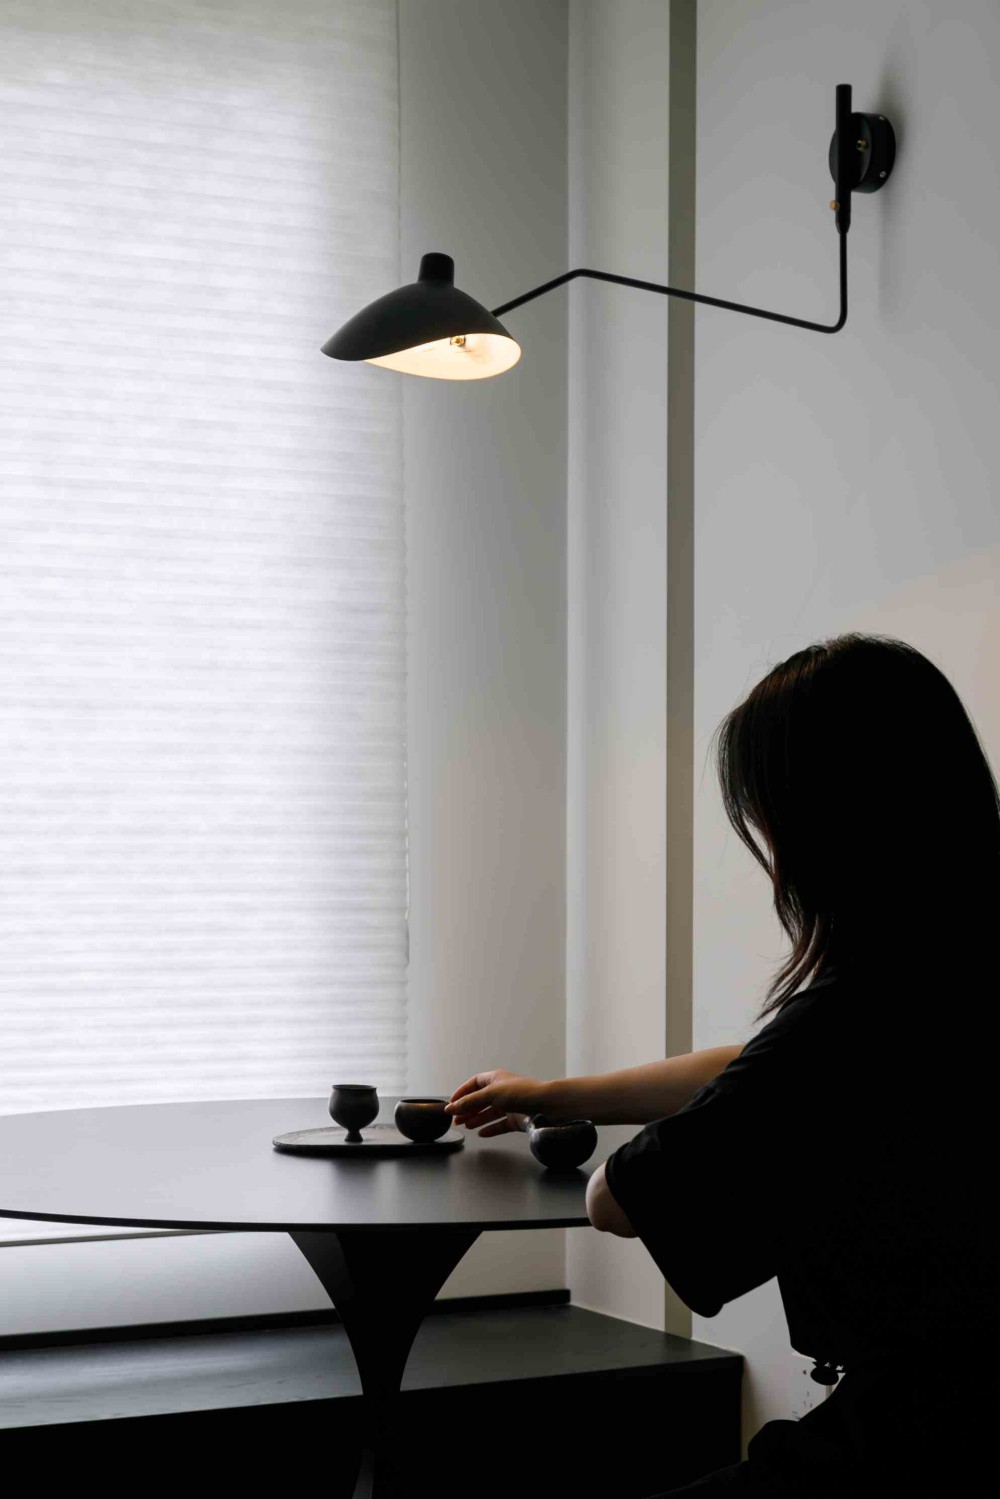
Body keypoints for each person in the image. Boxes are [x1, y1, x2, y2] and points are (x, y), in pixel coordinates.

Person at [445, 634, 1000, 1497]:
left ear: (825, 825)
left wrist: (629, 1143)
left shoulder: (851, 1019)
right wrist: (551, 1094)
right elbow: (761, 1067)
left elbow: (615, 1199)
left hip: (917, 1444)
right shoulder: (946, 980)